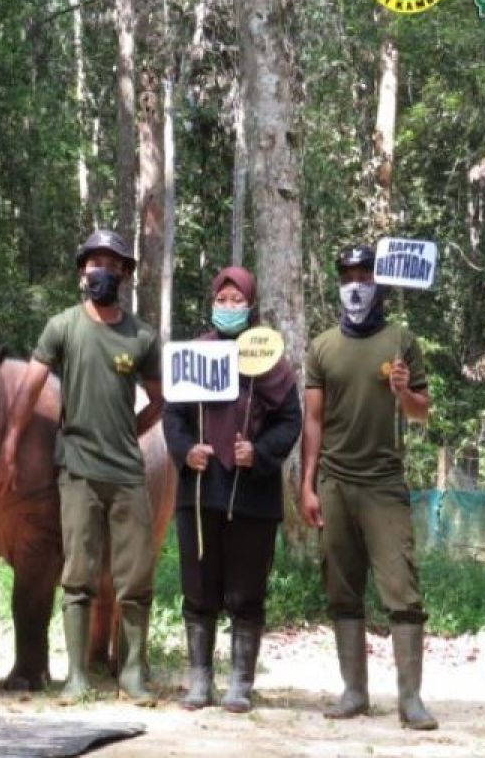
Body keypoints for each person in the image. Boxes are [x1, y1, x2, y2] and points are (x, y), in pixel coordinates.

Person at [0, 229, 164, 703]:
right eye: (93, 263)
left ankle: (132, 672)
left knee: (135, 576)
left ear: (124, 274)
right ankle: (77, 676)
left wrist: (132, 429)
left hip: (127, 473)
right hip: (78, 471)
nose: (100, 271)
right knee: (79, 573)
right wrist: (10, 442)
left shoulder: (142, 335)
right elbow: (30, 386)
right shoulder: (62, 326)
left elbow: (160, 398)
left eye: (111, 264)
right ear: (80, 273)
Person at [299, 244, 438, 730]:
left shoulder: (402, 341)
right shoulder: (321, 346)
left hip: (384, 482)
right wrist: (307, 484)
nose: (355, 283)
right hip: (335, 482)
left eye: (364, 274)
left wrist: (403, 389)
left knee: (402, 591)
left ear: (379, 283)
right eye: (348, 275)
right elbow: (312, 421)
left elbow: (421, 412)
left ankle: (410, 701)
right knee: (341, 588)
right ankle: (354, 691)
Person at [162, 267, 301, 713]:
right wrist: (186, 452)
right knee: (198, 588)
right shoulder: (194, 354)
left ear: (251, 304)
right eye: (221, 299)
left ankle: (241, 682)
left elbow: (290, 420)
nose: (228, 307)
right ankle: (199, 680)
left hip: (252, 494)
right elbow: (173, 416)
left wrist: (257, 454)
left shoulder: (269, 360)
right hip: (201, 489)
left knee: (246, 590)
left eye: (236, 299)